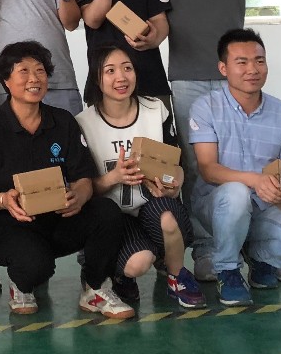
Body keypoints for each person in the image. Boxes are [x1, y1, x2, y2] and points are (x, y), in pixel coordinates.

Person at [152, 0, 281, 278]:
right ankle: (206, 251)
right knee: (198, 168)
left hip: (236, 79)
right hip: (186, 80)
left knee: (249, 163)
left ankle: (260, 249)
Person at [0, 41, 132, 318]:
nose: (34, 79)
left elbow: (83, 177)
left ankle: (94, 288)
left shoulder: (63, 122)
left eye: (40, 71)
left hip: (58, 218)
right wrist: (4, 200)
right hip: (10, 222)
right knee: (35, 267)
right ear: (6, 80)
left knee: (107, 212)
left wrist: (79, 196)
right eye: (24, 71)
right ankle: (22, 285)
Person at [189, 28, 281, 306]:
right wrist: (254, 180)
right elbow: (208, 168)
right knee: (236, 193)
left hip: (264, 209)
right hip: (216, 206)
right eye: (242, 62)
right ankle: (228, 270)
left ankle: (262, 259)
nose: (252, 69)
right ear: (223, 68)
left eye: (259, 61)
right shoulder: (206, 107)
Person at [76, 46, 205, 311]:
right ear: (97, 78)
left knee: (168, 217)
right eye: (110, 71)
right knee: (138, 263)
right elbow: (84, 188)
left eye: (127, 68)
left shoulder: (155, 109)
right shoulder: (83, 122)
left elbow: (176, 166)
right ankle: (119, 271)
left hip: (151, 205)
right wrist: (114, 176)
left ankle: (177, 276)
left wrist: (173, 184)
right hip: (114, 216)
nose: (121, 77)